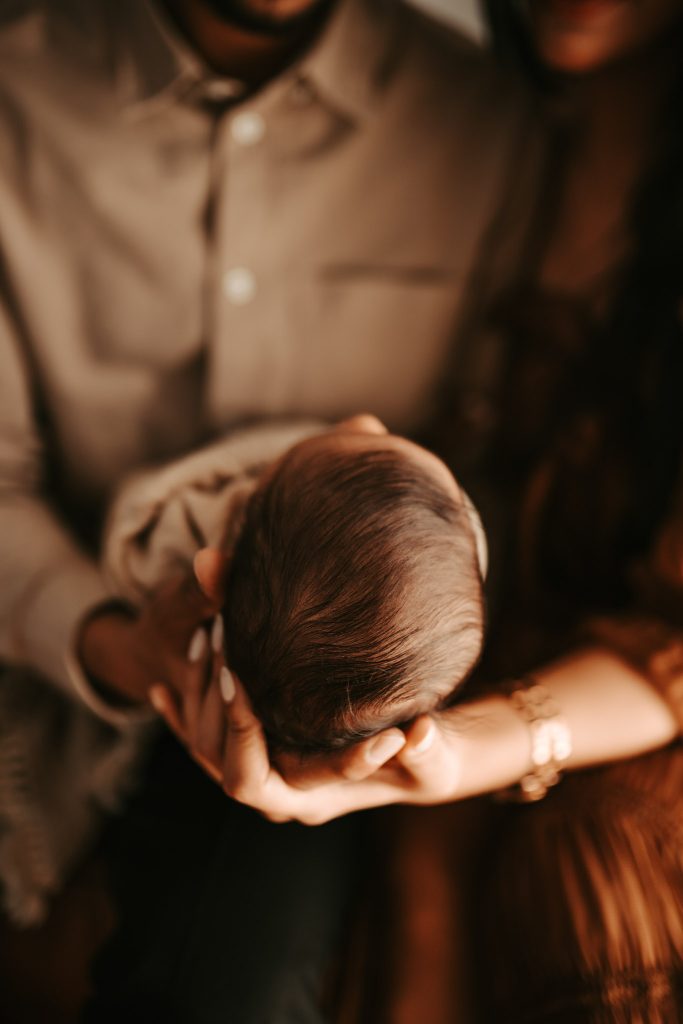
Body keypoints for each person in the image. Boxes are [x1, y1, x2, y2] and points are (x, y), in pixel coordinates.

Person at [0, 0, 538, 1017]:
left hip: (328, 690)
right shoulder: (16, 98)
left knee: (235, 976)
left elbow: (486, 462)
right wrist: (130, 646)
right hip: (82, 653)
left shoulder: (480, 125)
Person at [196, 0, 683, 1019]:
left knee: (572, 874)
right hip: (429, 637)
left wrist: (468, 751)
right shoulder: (455, 122)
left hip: (624, 701)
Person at [103, 414, 487, 757]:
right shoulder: (454, 548)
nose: (366, 421)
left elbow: (133, 518)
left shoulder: (190, 527)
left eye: (373, 441)